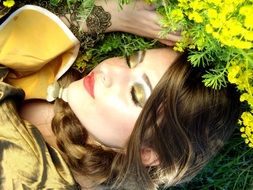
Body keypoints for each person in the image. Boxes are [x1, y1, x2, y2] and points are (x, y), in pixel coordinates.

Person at [0, 1, 240, 190]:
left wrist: (105, 14)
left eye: (135, 93)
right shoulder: (74, 107)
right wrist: (112, 16)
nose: (110, 70)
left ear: (147, 153)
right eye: (131, 60)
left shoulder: (28, 175)